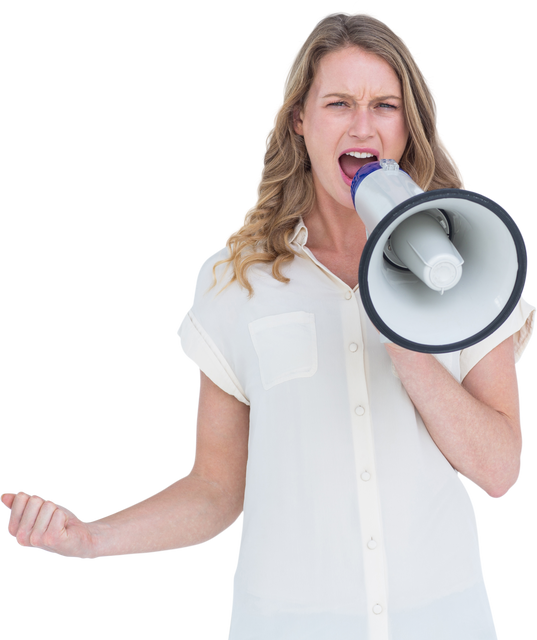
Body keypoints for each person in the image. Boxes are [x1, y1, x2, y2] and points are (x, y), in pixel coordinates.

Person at [2, 5, 535, 639]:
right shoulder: (235, 281)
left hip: (443, 624)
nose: (363, 125)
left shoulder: (467, 269)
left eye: (385, 106)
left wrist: (410, 344)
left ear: (408, 125)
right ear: (301, 121)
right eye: (339, 103)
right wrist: (93, 538)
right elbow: (216, 490)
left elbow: (500, 472)